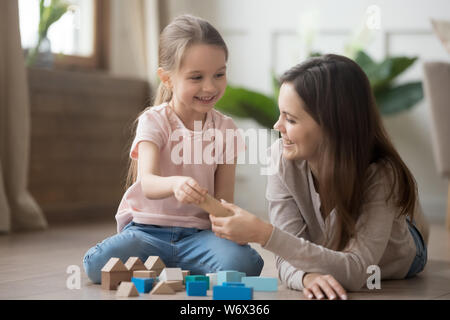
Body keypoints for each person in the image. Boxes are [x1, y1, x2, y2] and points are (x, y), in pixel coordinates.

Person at [209, 54, 429, 300]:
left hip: (392, 259)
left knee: (397, 220)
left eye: (290, 119)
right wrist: (305, 277)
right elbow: (286, 257)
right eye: (281, 114)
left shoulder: (380, 173)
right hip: (326, 250)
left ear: (332, 126)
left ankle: (408, 222)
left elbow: (357, 271)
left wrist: (263, 234)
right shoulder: (280, 159)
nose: (277, 126)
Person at [83, 14, 263, 284]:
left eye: (219, 74)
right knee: (97, 267)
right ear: (167, 79)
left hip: (201, 236)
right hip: (147, 232)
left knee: (245, 264)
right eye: (196, 77)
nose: (210, 86)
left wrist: (213, 207)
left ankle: (169, 268)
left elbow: (225, 203)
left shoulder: (226, 130)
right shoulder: (154, 121)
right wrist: (176, 184)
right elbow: (148, 184)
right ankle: (174, 268)